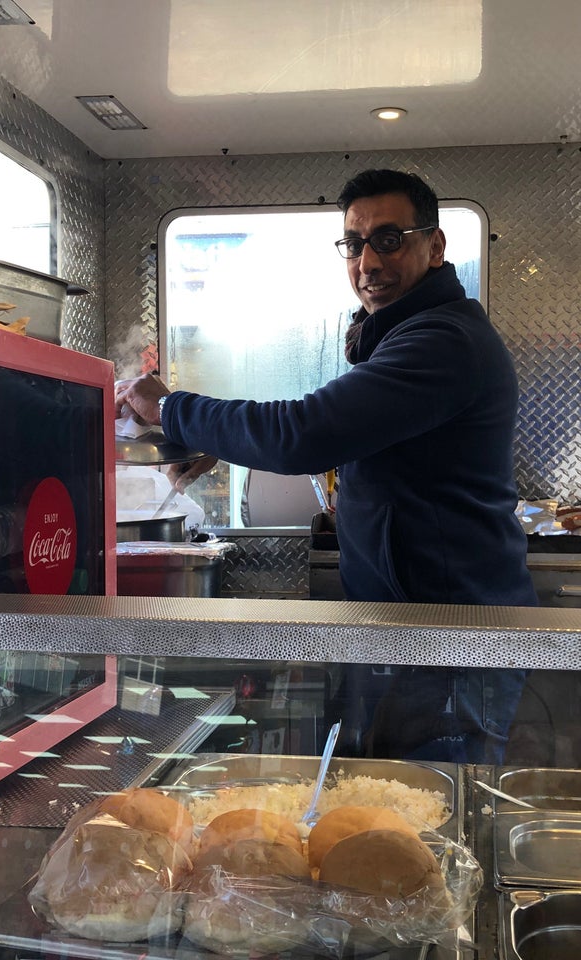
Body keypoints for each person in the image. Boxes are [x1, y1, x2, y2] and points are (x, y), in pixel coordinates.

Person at [118, 168, 535, 761]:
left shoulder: (443, 342)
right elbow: (340, 429)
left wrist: (171, 408)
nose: (367, 261)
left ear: (435, 246)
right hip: (412, 633)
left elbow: (303, 435)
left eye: (388, 239)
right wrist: (222, 441)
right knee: (398, 813)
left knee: (432, 817)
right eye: (354, 243)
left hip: (449, 644)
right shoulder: (399, 335)